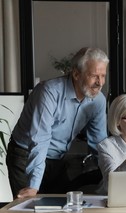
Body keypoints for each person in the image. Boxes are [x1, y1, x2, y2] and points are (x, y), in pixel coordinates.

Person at [6, 47, 109, 199]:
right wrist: (34, 185)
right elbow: (39, 139)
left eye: (103, 76)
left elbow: (98, 142)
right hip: (26, 154)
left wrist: (110, 174)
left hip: (57, 158)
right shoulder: (49, 92)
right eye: (94, 76)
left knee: (59, 210)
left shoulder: (98, 100)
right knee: (27, 211)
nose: (99, 83)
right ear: (76, 74)